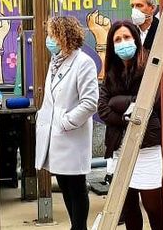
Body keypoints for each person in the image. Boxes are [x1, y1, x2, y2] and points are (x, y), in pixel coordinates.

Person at [98, 21, 163, 230]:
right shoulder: (110, 72)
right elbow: (103, 110)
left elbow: (149, 102)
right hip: (120, 147)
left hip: (148, 147)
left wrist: (117, 102)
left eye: (126, 38)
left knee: (153, 206)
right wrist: (127, 117)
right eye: (117, 39)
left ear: (136, 39)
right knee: (128, 207)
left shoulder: (150, 68)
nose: (123, 43)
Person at [36, 15, 99, 230]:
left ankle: (79, 227)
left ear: (64, 36)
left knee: (76, 186)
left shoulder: (83, 63)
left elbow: (90, 103)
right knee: (64, 183)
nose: (49, 40)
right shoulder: (56, 62)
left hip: (71, 136)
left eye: (52, 35)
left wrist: (66, 122)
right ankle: (75, 226)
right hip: (56, 137)